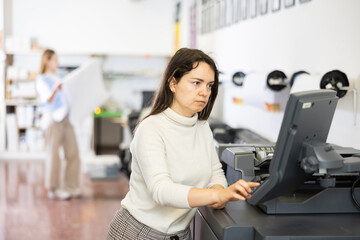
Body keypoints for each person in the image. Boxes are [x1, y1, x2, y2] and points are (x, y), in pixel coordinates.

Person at [107, 48, 259, 240]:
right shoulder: (151, 128)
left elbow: (215, 172)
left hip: (179, 234)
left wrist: (221, 192)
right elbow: (161, 190)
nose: (204, 92)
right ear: (173, 83)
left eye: (209, 85)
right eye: (196, 83)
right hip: (138, 233)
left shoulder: (202, 127)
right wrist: (217, 196)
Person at [36, 49, 81, 200]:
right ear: (46, 61)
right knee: (53, 155)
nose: (58, 63)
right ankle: (53, 189)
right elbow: (47, 99)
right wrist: (55, 89)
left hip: (67, 119)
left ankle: (70, 185)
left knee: (73, 152)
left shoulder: (61, 75)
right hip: (53, 119)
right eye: (54, 60)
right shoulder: (42, 79)